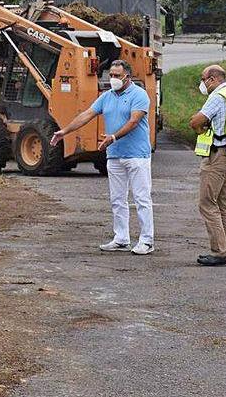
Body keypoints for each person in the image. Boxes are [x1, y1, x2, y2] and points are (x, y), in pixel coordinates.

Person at [50, 61, 154, 255]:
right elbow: (86, 115)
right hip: (114, 156)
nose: (112, 79)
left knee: (141, 198)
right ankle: (121, 238)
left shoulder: (139, 95)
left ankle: (147, 240)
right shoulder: (106, 97)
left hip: (137, 155)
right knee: (117, 199)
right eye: (111, 75)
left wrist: (113, 137)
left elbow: (134, 121)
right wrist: (64, 131)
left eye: (117, 75)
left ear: (127, 77)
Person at [188, 64, 226, 266]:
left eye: (203, 80)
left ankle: (219, 252)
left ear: (212, 79)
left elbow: (196, 121)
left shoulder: (216, 97)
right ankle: (224, 247)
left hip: (217, 155)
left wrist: (200, 127)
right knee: (222, 202)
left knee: (207, 202)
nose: (202, 84)